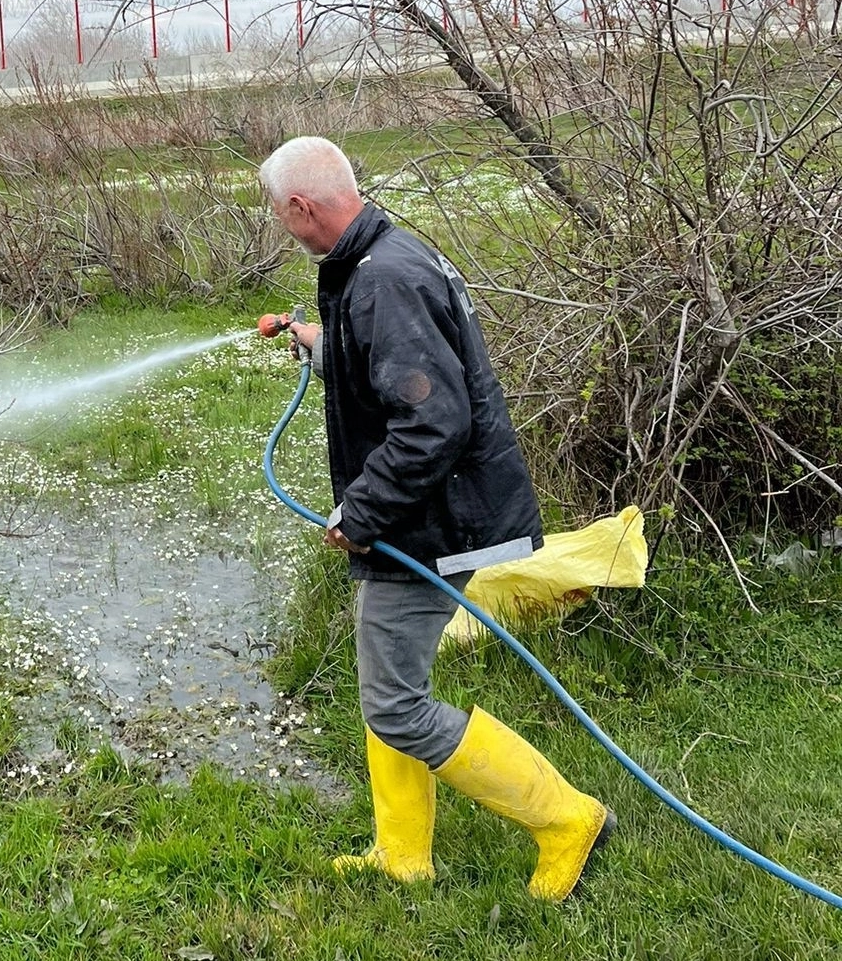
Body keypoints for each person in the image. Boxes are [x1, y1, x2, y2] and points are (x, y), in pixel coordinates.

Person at [257, 136, 614, 902]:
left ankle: (567, 819)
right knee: (386, 682)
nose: (283, 225)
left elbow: (433, 422)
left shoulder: (384, 278)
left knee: (395, 704)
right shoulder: (381, 260)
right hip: (424, 515)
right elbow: (397, 368)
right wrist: (321, 344)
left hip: (430, 523)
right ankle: (402, 853)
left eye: (280, 213)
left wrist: (362, 512)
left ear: (301, 206)